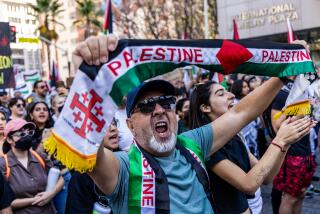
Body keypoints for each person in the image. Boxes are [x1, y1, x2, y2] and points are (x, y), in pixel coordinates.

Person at [72, 35, 311, 213]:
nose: (158, 110)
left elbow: (241, 112)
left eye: (166, 102)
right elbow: (85, 147)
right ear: (130, 125)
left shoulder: (190, 143)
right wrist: (83, 76)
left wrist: (283, 72)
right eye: (146, 107)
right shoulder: (122, 167)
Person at [189, 80, 313, 214]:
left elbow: (267, 177)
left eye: (227, 91)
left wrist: (287, 142)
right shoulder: (206, 148)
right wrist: (280, 140)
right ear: (206, 108)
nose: (231, 95)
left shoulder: (236, 137)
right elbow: (249, 184)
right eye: (221, 94)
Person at [269, 80, 316, 214]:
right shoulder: (283, 94)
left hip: (306, 152)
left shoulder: (308, 93)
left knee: (300, 194)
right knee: (289, 197)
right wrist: (300, 110)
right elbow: (277, 126)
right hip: (291, 154)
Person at [0, 119, 64, 214]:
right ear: (9, 139)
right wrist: (36, 200)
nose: (26, 136)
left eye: (29, 132)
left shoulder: (40, 156)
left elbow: (60, 179)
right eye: (21, 134)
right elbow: (4, 202)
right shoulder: (3, 164)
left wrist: (51, 193)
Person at [65, 118, 119, 213]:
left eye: (114, 123)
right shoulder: (82, 176)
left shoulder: (127, 162)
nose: (113, 128)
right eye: (104, 125)